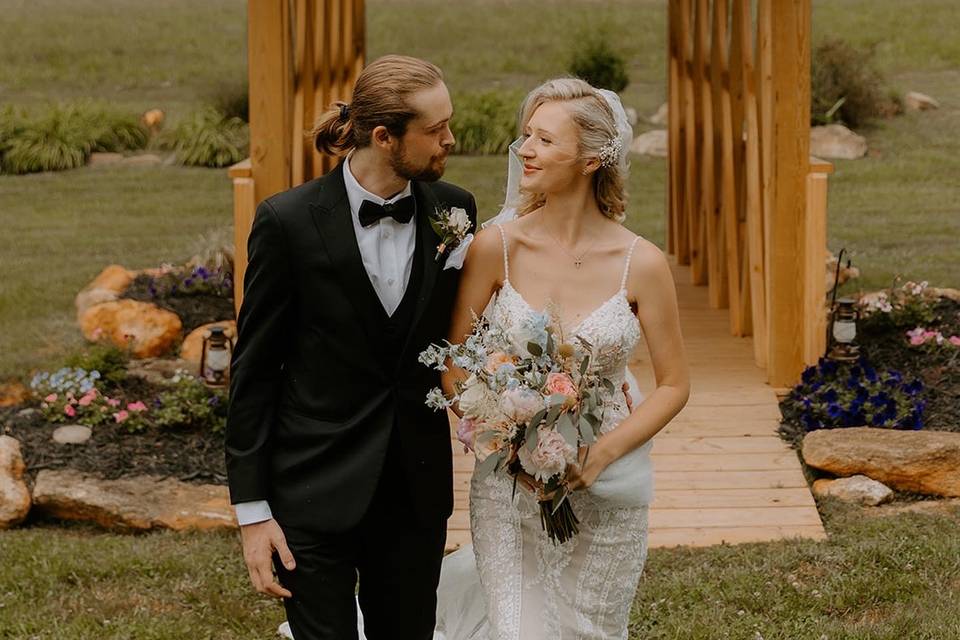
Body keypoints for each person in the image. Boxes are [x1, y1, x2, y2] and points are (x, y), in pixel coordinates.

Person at [224, 54, 477, 640]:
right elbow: (254, 372)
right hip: (312, 492)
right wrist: (252, 514)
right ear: (385, 137)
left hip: (414, 494)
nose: (451, 139)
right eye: (436, 130)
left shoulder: (455, 211)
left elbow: (463, 337)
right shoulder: (287, 222)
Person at [439, 77, 690, 639]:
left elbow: (675, 384)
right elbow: (452, 363)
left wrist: (599, 456)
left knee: (590, 631)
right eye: (526, 136)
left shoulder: (641, 263)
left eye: (545, 140)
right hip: (508, 487)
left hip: (608, 487)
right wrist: (507, 439)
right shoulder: (496, 246)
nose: (524, 149)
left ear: (592, 159)